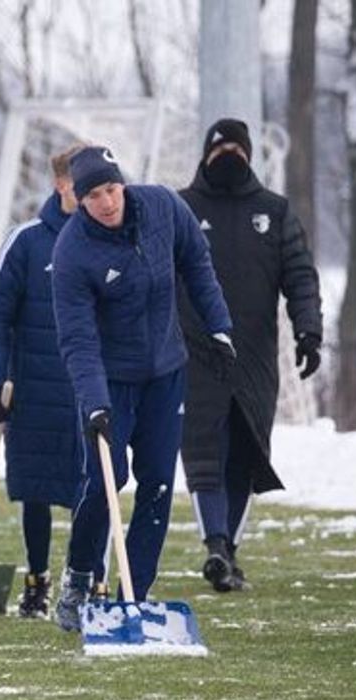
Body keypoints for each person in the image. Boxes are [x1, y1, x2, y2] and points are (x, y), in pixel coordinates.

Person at [50, 146, 234, 632]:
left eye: (111, 189)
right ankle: (78, 574)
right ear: (80, 200)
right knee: (105, 482)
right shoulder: (72, 252)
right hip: (108, 379)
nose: (107, 202)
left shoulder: (163, 207)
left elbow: (197, 261)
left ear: (122, 185)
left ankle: (136, 593)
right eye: (94, 195)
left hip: (165, 372)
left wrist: (218, 326)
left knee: (157, 482)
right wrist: (94, 403)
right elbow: (77, 339)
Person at [178, 118, 323, 591]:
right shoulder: (182, 208)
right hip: (194, 354)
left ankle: (228, 550)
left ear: (249, 156)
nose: (228, 160)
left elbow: (300, 277)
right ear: (204, 156)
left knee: (244, 454)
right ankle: (215, 544)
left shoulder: (274, 212)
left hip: (255, 356)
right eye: (219, 152)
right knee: (204, 452)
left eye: (236, 152)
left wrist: (308, 332)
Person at [0, 146, 92, 618]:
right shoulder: (26, 242)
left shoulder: (110, 239)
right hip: (35, 390)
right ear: (60, 184)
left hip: (91, 391)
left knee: (92, 490)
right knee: (37, 491)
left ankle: (90, 581)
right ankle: (37, 581)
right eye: (77, 182)